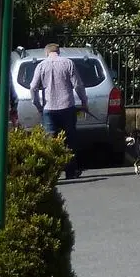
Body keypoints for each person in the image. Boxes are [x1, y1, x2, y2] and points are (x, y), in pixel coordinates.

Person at [28, 44, 88, 179]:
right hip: (67, 106)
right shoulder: (68, 63)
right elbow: (78, 84)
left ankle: (51, 172)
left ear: (46, 53)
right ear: (58, 51)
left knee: (50, 141)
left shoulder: (41, 66)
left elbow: (33, 87)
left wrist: (38, 105)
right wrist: (84, 101)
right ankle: (70, 172)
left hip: (49, 108)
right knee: (70, 140)